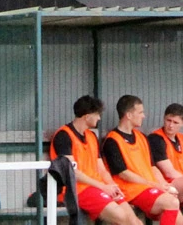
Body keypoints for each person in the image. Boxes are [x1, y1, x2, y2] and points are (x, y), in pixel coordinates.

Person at [52, 96, 144, 225]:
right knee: (122, 218)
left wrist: (112, 186)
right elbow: (73, 172)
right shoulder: (63, 136)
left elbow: (101, 169)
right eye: (97, 115)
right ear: (87, 116)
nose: (99, 118)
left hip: (97, 187)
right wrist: (102, 187)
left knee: (135, 222)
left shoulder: (91, 136)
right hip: (76, 189)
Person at [101, 96, 182, 225]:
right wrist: (155, 185)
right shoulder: (112, 140)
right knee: (172, 203)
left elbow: (153, 167)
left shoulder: (142, 137)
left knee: (182, 222)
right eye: (140, 112)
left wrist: (164, 185)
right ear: (128, 115)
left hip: (148, 188)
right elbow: (123, 174)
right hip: (131, 190)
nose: (143, 116)